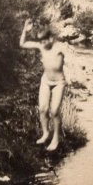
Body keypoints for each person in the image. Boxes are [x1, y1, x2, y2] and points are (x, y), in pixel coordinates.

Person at [20, 20, 67, 152]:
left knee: (55, 111)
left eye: (45, 41)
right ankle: (45, 133)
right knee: (42, 109)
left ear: (51, 39)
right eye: (40, 41)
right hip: (46, 81)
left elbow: (69, 49)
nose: (42, 44)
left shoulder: (59, 48)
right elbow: (22, 44)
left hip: (59, 83)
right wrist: (25, 30)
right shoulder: (41, 46)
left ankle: (56, 138)